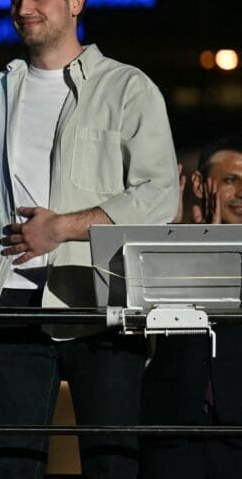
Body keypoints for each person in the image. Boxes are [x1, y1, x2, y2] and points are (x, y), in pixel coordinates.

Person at [0, 0, 178, 478]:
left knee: (112, 462)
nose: (24, 8)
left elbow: (160, 195)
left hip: (99, 297)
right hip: (11, 301)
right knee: (11, 464)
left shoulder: (128, 87)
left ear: (76, 1)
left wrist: (61, 227)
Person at [141, 135, 242, 479]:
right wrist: (194, 243)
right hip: (171, 431)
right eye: (230, 181)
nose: (241, 193)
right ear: (199, 183)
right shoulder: (167, 241)